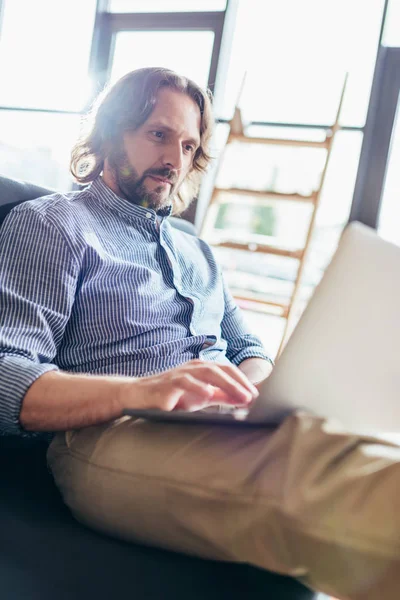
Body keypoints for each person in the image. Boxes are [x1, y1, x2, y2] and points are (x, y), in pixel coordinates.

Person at [0, 67, 399, 600]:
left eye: (189, 145)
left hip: (217, 424)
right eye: (158, 134)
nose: (174, 159)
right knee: (326, 480)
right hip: (111, 434)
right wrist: (139, 391)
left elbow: (249, 348)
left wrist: (253, 395)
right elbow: (8, 371)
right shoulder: (53, 225)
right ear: (111, 132)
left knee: (350, 446)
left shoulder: (193, 247)